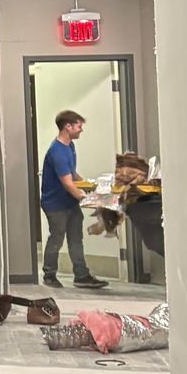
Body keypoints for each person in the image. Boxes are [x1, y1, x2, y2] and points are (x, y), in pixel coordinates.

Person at [41, 110, 108, 290]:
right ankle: (49, 275)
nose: (81, 130)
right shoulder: (57, 152)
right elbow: (67, 183)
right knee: (57, 238)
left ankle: (82, 276)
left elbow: (72, 174)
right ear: (67, 127)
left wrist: (88, 185)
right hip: (55, 204)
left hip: (69, 203)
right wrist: (89, 199)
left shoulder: (69, 146)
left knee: (76, 239)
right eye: (79, 126)